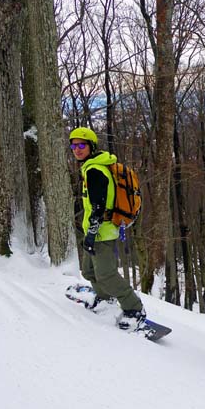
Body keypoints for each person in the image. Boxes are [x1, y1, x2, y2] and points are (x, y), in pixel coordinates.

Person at [69, 127, 146, 331]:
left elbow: (98, 206)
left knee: (106, 274)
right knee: (88, 271)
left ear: (91, 146)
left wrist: (91, 235)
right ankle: (105, 298)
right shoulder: (92, 166)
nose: (77, 149)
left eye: (82, 145)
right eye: (74, 145)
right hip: (94, 231)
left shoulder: (95, 170)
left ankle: (134, 308)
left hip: (101, 233)